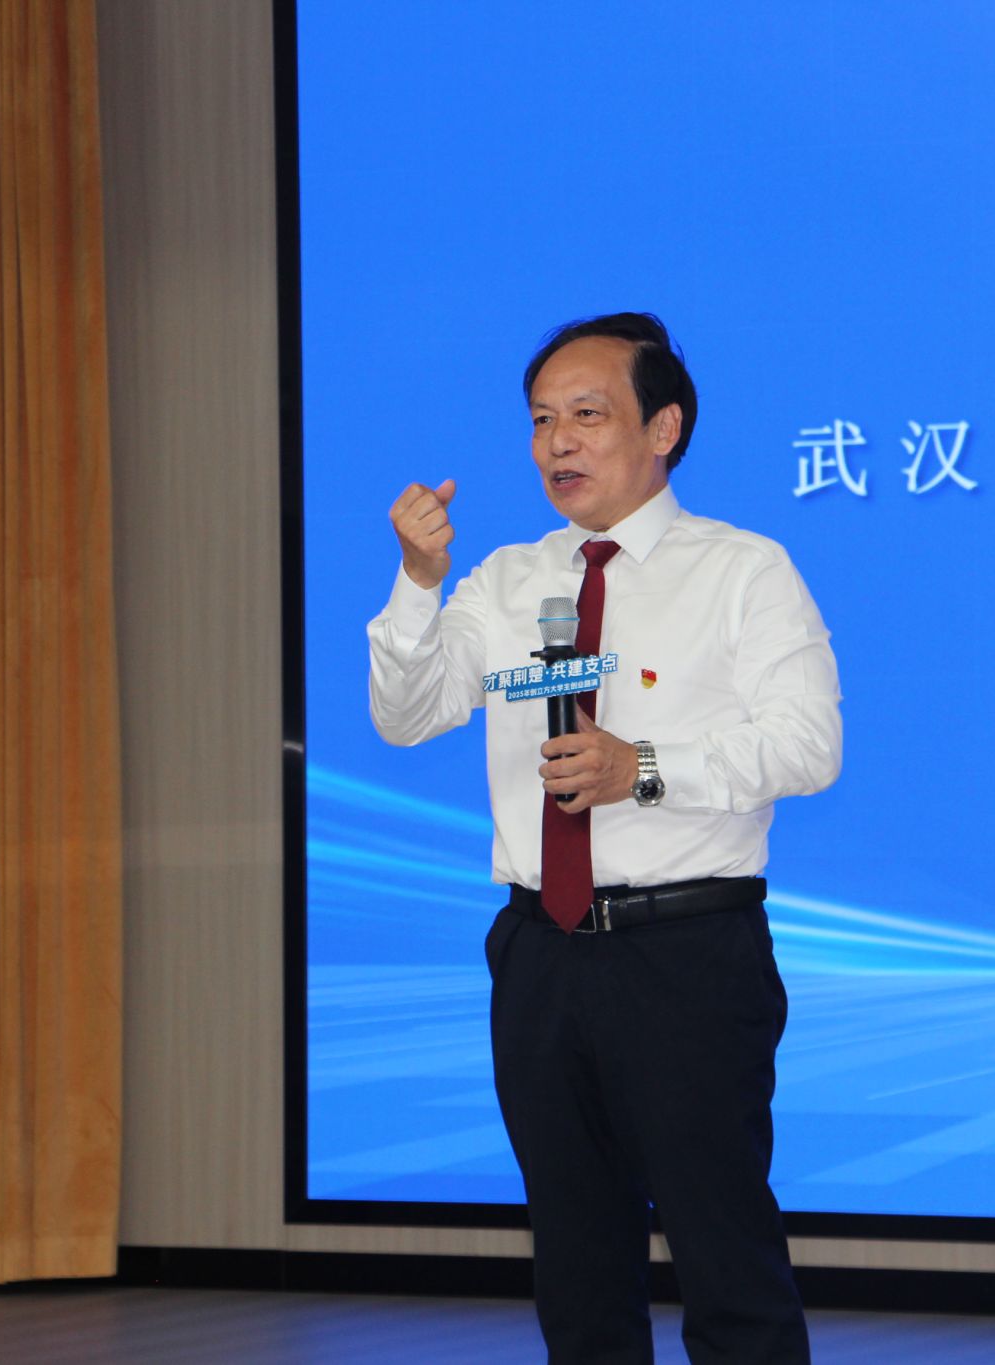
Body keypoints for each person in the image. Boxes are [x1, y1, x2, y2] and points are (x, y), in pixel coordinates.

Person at [367, 312, 839, 1363]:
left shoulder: (742, 570)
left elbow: (808, 747)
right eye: (542, 420)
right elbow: (405, 716)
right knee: (577, 1269)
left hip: (686, 955)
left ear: (663, 428)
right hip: (540, 953)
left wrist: (644, 768)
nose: (557, 442)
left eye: (587, 414)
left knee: (724, 1255)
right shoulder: (506, 579)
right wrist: (417, 581)